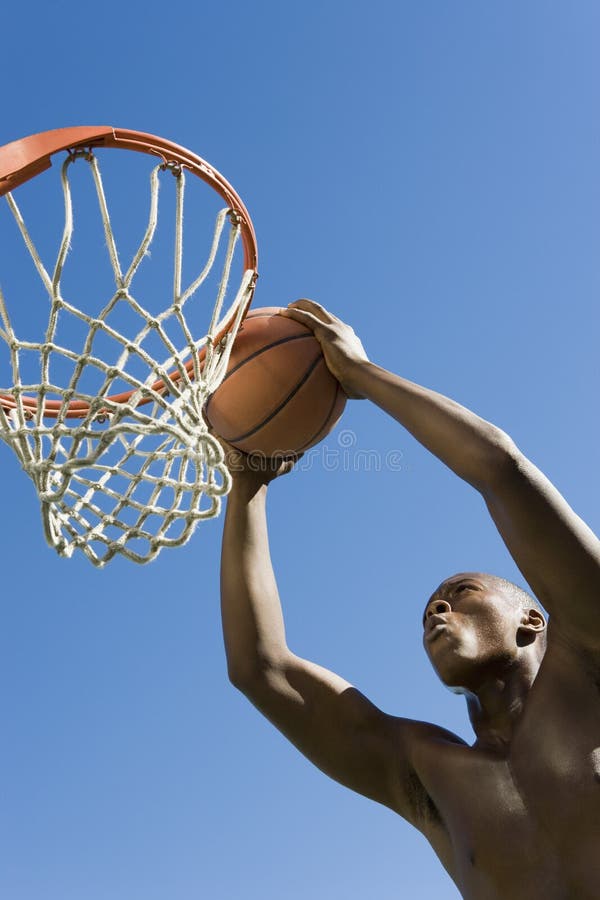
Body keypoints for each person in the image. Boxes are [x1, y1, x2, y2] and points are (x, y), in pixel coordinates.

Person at [219, 298, 600, 899]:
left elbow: (500, 470)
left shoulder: (591, 652)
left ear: (532, 620)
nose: (437, 611)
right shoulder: (425, 773)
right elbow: (261, 668)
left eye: (460, 594)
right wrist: (248, 482)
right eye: (428, 610)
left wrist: (363, 376)